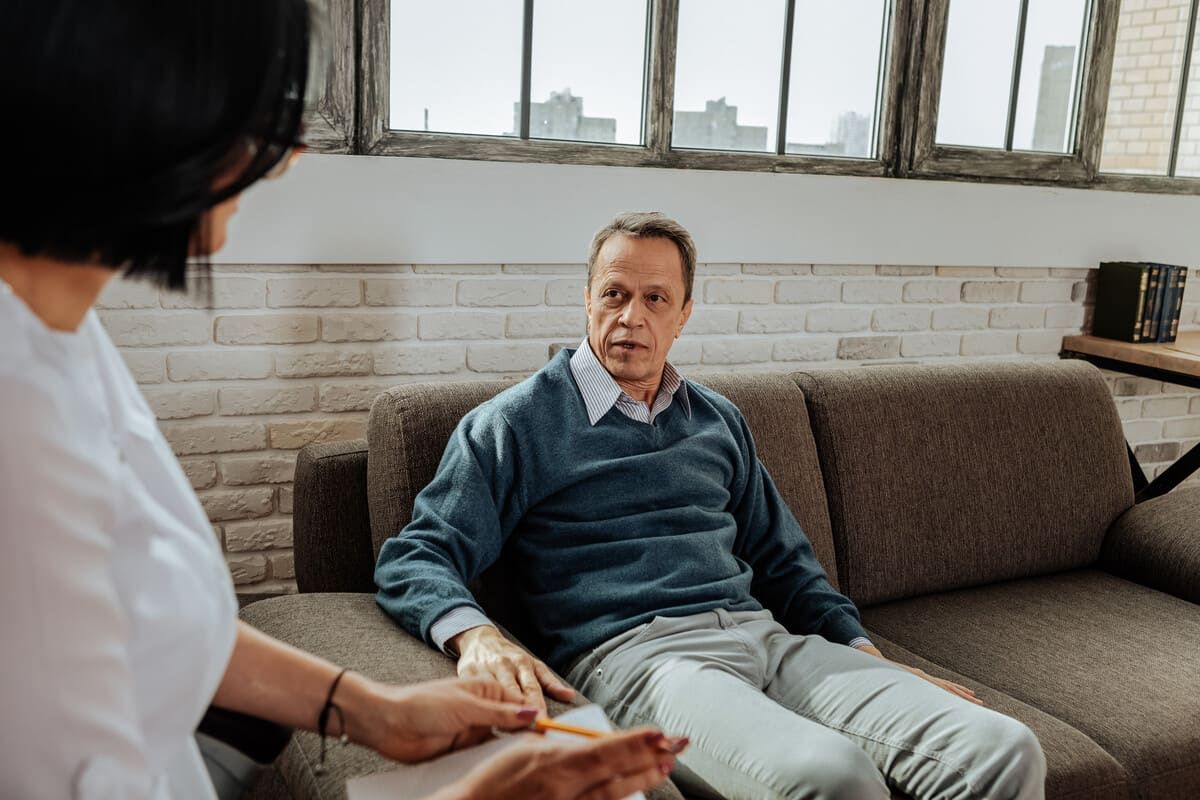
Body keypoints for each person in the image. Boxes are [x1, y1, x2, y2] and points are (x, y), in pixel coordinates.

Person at [0, 3, 682, 798]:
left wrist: (371, 709)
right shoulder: (19, 428)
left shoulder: (66, 337)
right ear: (128, 100)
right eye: (257, 114)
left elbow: (152, 617)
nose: (289, 154)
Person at [375, 211, 1050, 800]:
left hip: (767, 641)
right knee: (832, 776)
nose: (630, 317)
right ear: (587, 300)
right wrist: (478, 635)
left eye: (654, 298)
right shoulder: (516, 423)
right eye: (613, 293)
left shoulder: (717, 420)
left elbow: (785, 562)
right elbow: (417, 554)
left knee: (1003, 749)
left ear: (684, 313)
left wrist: (862, 652)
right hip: (640, 661)